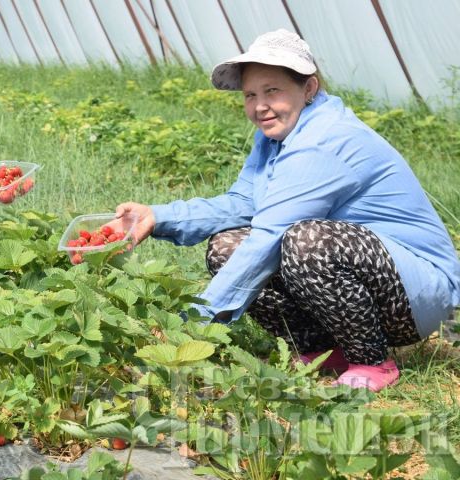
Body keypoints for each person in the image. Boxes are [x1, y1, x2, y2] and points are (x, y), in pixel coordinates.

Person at [115, 29, 460, 392]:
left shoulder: (326, 139)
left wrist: (188, 329)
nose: (260, 106)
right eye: (250, 95)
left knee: (306, 240)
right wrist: (157, 216)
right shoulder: (274, 137)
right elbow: (245, 204)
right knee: (227, 246)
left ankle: (372, 360)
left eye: (272, 90)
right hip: (368, 285)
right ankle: (325, 350)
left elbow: (270, 236)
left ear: (308, 88)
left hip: (416, 294)